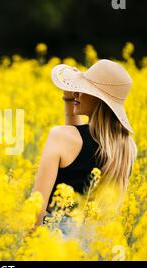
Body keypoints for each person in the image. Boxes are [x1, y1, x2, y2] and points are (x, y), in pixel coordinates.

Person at [32, 59, 137, 228]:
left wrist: (29, 247)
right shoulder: (126, 148)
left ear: (99, 98)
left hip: (55, 245)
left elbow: (36, 210)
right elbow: (81, 138)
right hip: (97, 246)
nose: (77, 93)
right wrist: (69, 98)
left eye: (83, 89)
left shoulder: (61, 136)